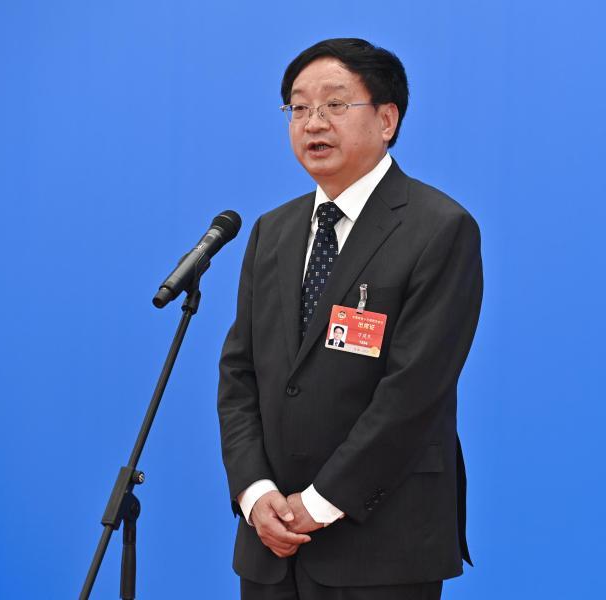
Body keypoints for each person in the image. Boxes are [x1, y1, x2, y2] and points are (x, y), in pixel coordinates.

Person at [217, 38, 483, 599]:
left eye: (335, 104)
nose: (313, 122)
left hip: (382, 545)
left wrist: (318, 503)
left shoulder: (439, 228)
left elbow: (413, 393)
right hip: (270, 545)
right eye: (299, 107)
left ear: (387, 119)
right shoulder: (271, 232)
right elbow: (239, 374)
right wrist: (255, 492)